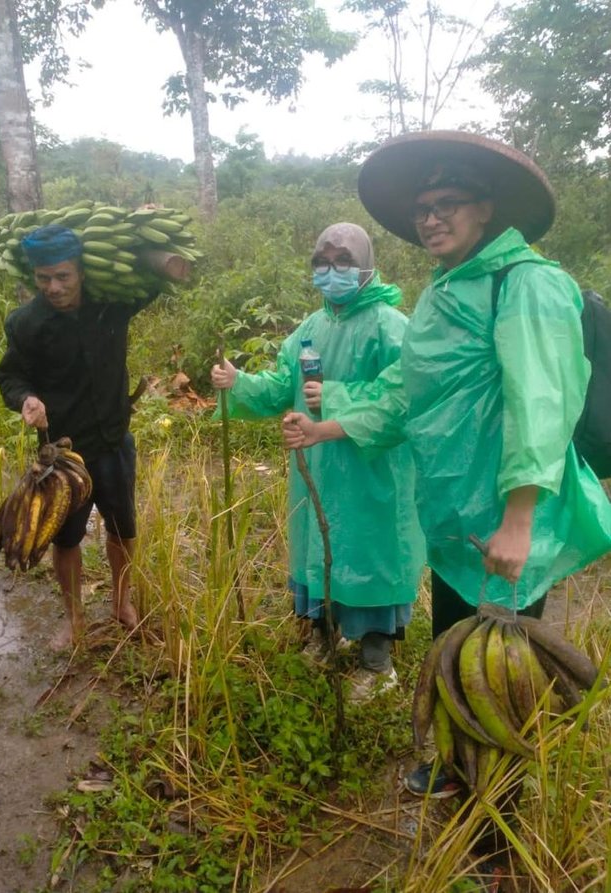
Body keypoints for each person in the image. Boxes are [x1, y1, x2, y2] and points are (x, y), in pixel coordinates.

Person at [282, 132, 611, 794]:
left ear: (487, 209)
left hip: (509, 510)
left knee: (502, 659)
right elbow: (404, 394)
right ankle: (460, 764)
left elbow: (540, 402)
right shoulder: (439, 293)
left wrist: (519, 519)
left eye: (449, 202)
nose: (431, 217)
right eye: (423, 207)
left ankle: (503, 794)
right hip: (453, 509)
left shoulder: (528, 284)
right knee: (455, 642)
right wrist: (328, 425)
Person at [211, 222, 425, 702]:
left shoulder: (391, 326)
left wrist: (334, 397)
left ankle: (376, 661)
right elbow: (280, 387)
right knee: (321, 548)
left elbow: (403, 398)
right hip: (319, 468)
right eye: (322, 262)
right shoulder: (312, 327)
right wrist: (238, 380)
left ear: (366, 265)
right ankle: (325, 637)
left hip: (374, 472)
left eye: (343, 262)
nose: (331, 272)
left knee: (373, 555)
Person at [0, 224, 172, 650]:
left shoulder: (111, 304)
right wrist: (27, 399)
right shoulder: (26, 322)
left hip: (113, 439)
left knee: (122, 527)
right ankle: (74, 618)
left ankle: (121, 603)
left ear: (81, 272)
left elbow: (155, 280)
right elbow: (11, 374)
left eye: (63, 277)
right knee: (66, 536)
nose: (53, 288)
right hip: (63, 454)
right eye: (44, 279)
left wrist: (150, 235)